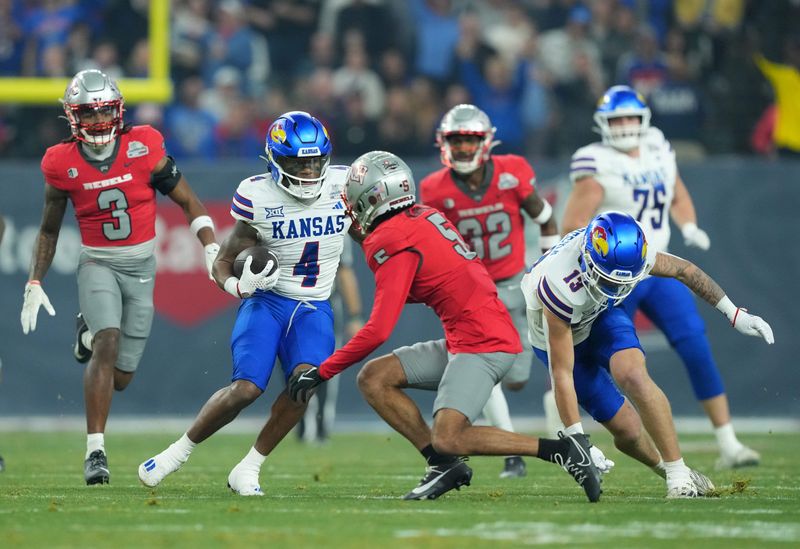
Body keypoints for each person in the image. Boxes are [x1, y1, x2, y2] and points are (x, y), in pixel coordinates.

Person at [288, 150, 603, 503]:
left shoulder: (391, 238)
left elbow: (378, 329)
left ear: (372, 196)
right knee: (374, 378)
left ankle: (561, 450)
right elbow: (426, 279)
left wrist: (323, 371)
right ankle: (443, 466)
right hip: (472, 335)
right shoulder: (422, 215)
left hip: (483, 343)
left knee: (449, 435)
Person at [19, 70, 220, 485]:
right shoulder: (61, 161)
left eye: (103, 112)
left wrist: (211, 245)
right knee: (107, 342)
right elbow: (50, 229)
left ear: (118, 111)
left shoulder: (144, 145)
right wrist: (34, 280)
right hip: (98, 263)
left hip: (142, 269)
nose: (96, 122)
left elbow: (188, 200)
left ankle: (86, 335)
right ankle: (96, 452)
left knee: (122, 377)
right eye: (87, 114)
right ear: (73, 117)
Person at [138, 111, 352, 496]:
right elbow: (222, 261)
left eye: (313, 162)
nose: (307, 172)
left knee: (305, 383)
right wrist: (239, 286)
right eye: (297, 163)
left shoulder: (344, 184)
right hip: (268, 303)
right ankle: (177, 452)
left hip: (314, 305)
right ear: (275, 161)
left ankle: (249, 468)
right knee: (247, 389)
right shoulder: (258, 195)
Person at [561, 85, 762, 469]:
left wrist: (688, 226)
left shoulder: (657, 145)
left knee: (695, 346)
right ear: (603, 123)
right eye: (615, 119)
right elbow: (573, 224)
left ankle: (729, 443)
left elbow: (678, 194)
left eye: (629, 118)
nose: (623, 126)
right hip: (614, 276)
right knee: (594, 359)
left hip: (659, 268)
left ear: (643, 120)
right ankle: (571, 428)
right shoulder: (595, 160)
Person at [521, 211, 773, 497]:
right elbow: (562, 373)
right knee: (627, 431)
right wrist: (576, 438)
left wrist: (734, 313)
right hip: (563, 335)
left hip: (602, 315)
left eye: (622, 282)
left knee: (633, 374)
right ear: (588, 261)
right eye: (609, 281)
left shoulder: (631, 252)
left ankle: (678, 473)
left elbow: (685, 270)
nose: (616, 287)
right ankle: (668, 470)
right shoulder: (558, 283)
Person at [419, 104, 561, 479]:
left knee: (516, 378)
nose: (463, 148)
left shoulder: (512, 172)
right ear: (443, 142)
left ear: (486, 141)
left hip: (515, 284)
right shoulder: (434, 188)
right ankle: (512, 452)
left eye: (470, 140)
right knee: (480, 367)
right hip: (471, 291)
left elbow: (545, 218)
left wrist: (550, 263)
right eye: (456, 140)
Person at [297, 237, 363, 444]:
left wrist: (355, 315)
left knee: (325, 367)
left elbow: (344, 270)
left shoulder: (336, 222)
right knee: (291, 366)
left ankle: (319, 427)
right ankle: (300, 424)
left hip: (324, 302)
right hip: (289, 300)